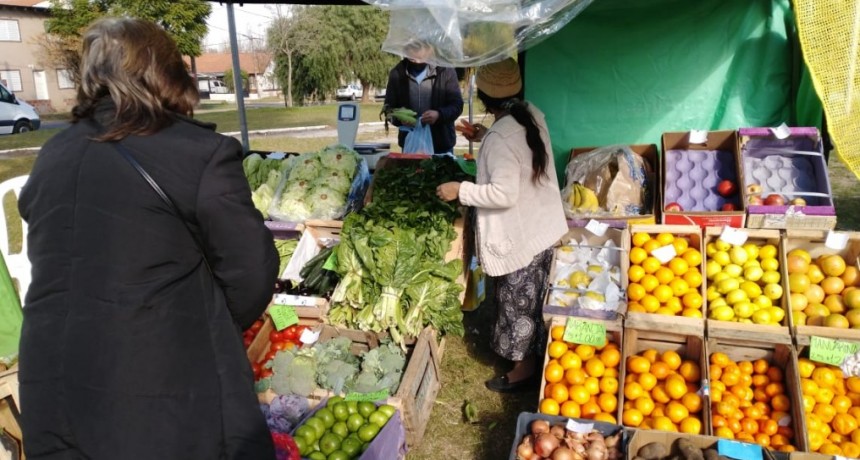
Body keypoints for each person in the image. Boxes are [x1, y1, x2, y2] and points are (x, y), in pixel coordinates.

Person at [17, 18, 279, 459]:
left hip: (55, 378)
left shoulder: (54, 153)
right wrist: (204, 326)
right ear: (167, 71)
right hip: (156, 391)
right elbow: (252, 271)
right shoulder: (199, 154)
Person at [436, 58, 567, 393]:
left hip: (521, 233)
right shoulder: (530, 114)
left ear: (482, 97)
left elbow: (504, 193)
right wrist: (484, 135)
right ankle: (538, 357)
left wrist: (460, 190)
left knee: (518, 301)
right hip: (542, 225)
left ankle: (523, 369)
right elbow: (519, 155)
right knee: (537, 299)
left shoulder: (501, 136)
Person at [383, 40, 464, 154]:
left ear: (430, 49)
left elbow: (457, 105)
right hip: (410, 142)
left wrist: (439, 114)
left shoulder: (446, 71)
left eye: (418, 48)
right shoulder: (397, 73)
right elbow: (388, 109)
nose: (413, 54)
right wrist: (399, 119)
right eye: (410, 48)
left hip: (441, 145)